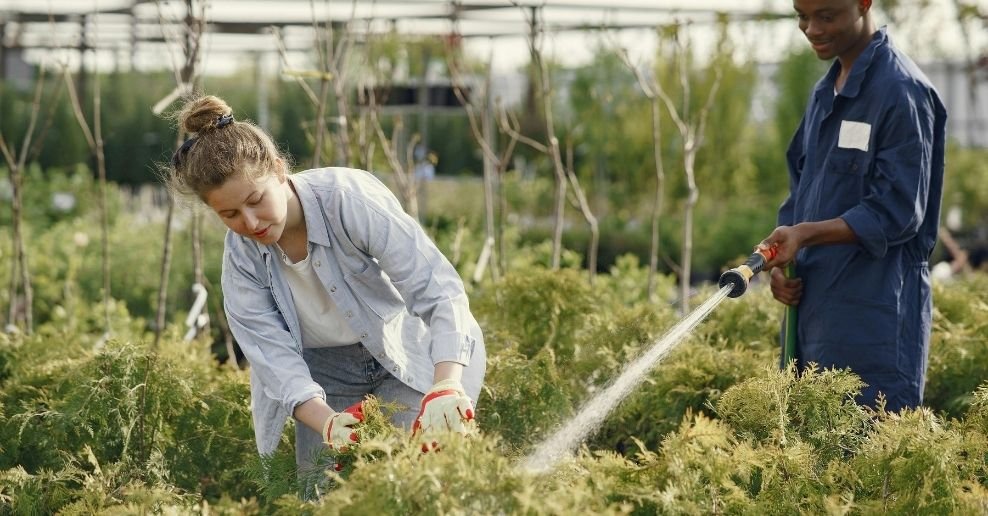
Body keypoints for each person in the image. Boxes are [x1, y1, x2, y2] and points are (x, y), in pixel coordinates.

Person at [166, 95, 486, 484]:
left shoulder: (348, 200)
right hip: (323, 376)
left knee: (412, 485)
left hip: (401, 355)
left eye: (256, 200)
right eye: (229, 215)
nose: (250, 223)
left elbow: (436, 289)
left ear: (280, 171)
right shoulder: (241, 259)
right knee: (326, 496)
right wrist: (329, 422)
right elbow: (271, 356)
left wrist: (447, 382)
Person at [758, 0, 946, 412]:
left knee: (869, 458)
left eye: (827, 15)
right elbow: (800, 191)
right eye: (802, 16)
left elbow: (898, 210)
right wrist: (782, 261)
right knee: (809, 457)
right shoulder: (824, 93)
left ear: (864, 3)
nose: (812, 29)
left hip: (874, 322)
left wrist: (805, 235)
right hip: (814, 315)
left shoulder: (900, 91)